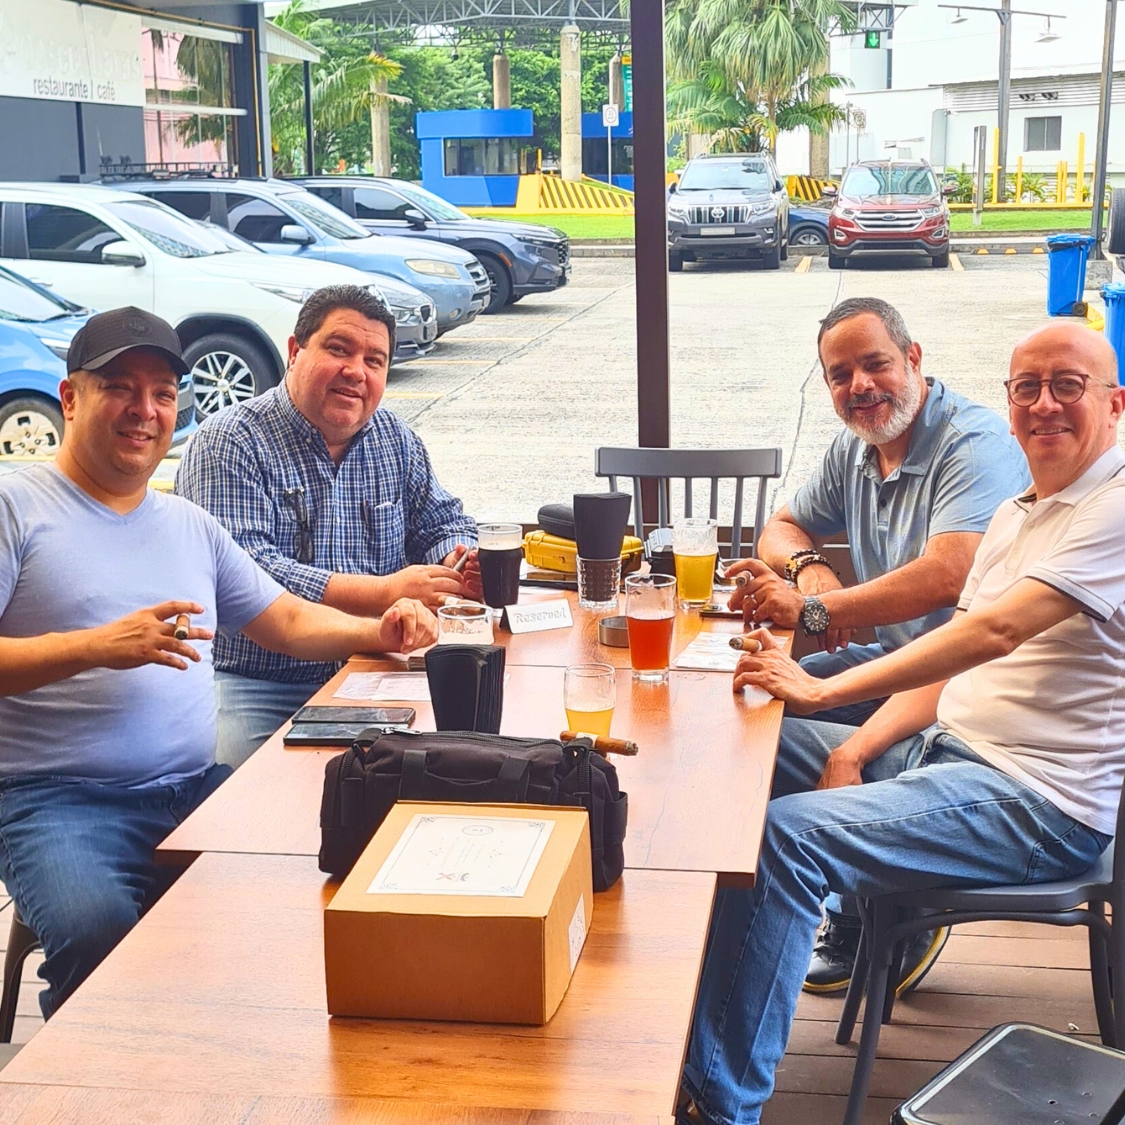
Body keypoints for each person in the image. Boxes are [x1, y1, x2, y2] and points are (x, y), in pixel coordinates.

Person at [681, 321, 1124, 1125]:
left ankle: (719, 1105)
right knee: (736, 746)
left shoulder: (1116, 504)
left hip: (1035, 803)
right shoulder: (1022, 509)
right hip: (944, 755)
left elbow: (990, 631)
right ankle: (692, 1035)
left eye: (1067, 385)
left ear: (1115, 403)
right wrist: (852, 743)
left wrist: (819, 692)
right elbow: (953, 663)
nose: (1043, 405)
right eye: (1026, 387)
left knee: (790, 832)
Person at [0, 307, 436, 1020]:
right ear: (70, 397)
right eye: (120, 387)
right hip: (59, 799)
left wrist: (378, 630)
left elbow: (286, 620)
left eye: (163, 394)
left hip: (192, 788)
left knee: (294, 892)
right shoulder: (16, 507)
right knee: (98, 928)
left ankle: (219, 1056)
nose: (145, 410)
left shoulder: (186, 526)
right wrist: (93, 646)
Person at [726, 297, 1030, 995]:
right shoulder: (857, 447)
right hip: (893, 664)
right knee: (751, 712)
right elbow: (780, 525)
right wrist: (812, 573)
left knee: (794, 747)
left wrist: (815, 608)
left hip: (958, 690)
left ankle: (896, 903)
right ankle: (799, 907)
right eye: (840, 374)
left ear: (913, 358)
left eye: (875, 364)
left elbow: (949, 570)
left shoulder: (972, 441)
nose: (859, 386)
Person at [177, 285, 479, 767]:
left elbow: (443, 520)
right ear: (295, 351)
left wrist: (457, 559)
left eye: (374, 360)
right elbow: (248, 575)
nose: (356, 371)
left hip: (376, 665)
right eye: (339, 349)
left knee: (457, 763)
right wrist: (383, 592)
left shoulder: (394, 439)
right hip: (258, 681)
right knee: (231, 798)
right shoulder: (227, 441)